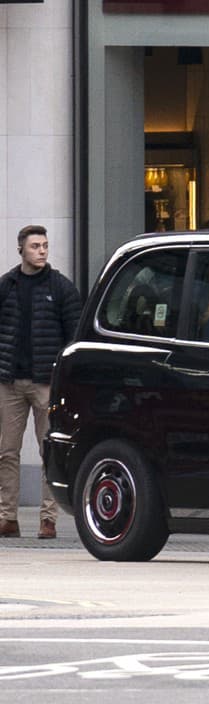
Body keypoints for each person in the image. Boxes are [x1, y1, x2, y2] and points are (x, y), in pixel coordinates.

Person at [0, 225, 81, 539]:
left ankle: (49, 519)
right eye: (35, 246)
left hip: (47, 382)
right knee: (7, 451)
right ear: (21, 249)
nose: (42, 251)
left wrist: (64, 376)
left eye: (45, 245)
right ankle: (8, 517)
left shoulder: (61, 287)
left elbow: (74, 334)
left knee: (49, 450)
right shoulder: (7, 286)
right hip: (10, 381)